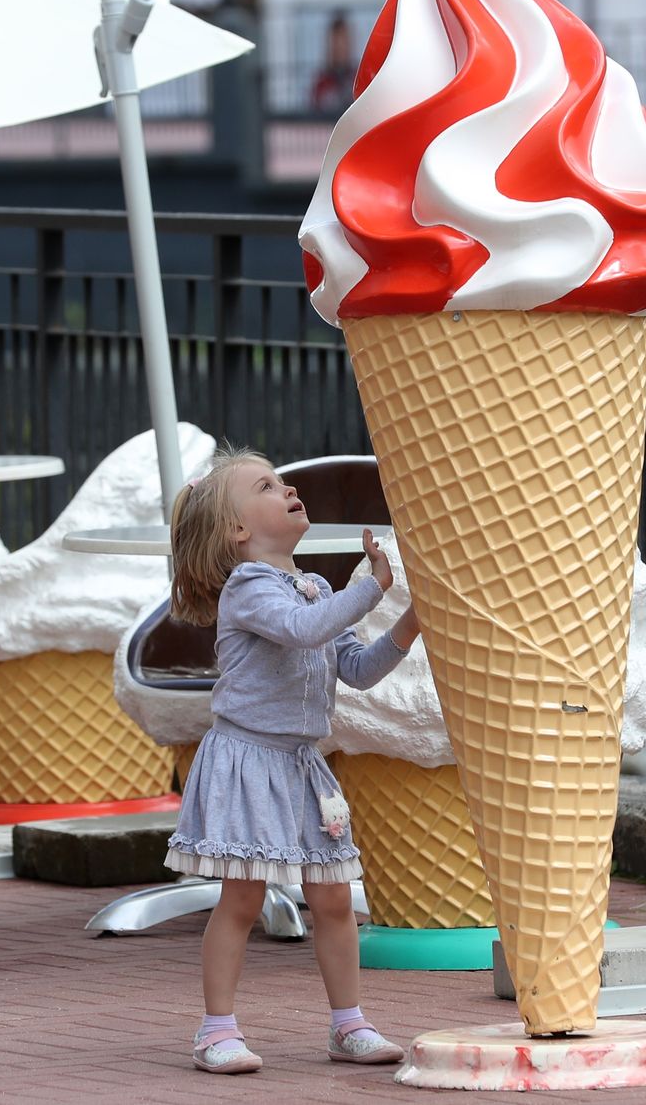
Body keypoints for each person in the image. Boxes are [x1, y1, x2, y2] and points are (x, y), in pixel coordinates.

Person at [165, 446, 420, 1075]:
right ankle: (215, 1030)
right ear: (238, 530)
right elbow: (305, 631)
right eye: (265, 486)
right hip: (249, 760)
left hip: (302, 764)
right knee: (242, 899)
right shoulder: (249, 588)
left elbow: (356, 671)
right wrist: (372, 588)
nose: (285, 489)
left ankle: (348, 1023)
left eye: (281, 481)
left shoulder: (314, 587)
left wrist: (411, 624)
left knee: (333, 900)